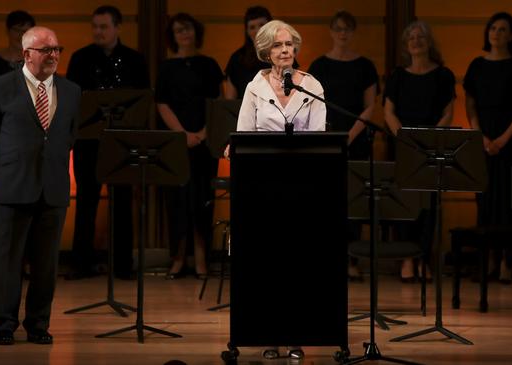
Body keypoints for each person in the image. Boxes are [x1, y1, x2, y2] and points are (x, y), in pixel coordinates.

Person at [0, 26, 81, 345]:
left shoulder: (72, 90)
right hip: (12, 186)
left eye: (57, 49)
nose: (53, 55)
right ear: (26, 54)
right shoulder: (0, 87)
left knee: (46, 264)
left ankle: (38, 324)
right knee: (7, 261)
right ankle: (4, 324)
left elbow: (69, 136)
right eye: (46, 50)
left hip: (53, 188)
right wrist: (8, 169)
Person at [235, 19, 326, 360]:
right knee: (267, 264)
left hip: (302, 187)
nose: (285, 50)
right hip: (263, 186)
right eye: (277, 45)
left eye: (289, 44)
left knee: (297, 264)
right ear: (266, 52)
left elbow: (319, 138)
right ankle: (268, 334)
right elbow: (243, 135)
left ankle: (296, 334)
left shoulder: (312, 85)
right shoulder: (254, 87)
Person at [64, 5, 150, 280]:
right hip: (88, 140)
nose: (98, 32)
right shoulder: (80, 59)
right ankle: (80, 264)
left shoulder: (135, 60)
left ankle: (123, 265)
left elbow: (142, 100)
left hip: (122, 141)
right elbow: (73, 100)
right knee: (86, 200)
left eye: (104, 27)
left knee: (123, 200)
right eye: (95, 27)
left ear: (118, 28)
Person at [464, 12, 512, 284]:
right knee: (484, 200)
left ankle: (507, 259)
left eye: (503, 29)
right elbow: (470, 105)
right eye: (493, 28)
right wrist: (480, 136)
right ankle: (488, 259)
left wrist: (503, 139)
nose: (496, 33)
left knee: (508, 201)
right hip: (481, 139)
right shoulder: (477, 66)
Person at [308, 9, 379, 281]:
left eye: (347, 29)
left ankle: (352, 259)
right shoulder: (319, 66)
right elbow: (311, 104)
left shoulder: (365, 66)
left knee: (354, 203)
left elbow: (370, 105)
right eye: (338, 28)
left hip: (356, 140)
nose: (342, 33)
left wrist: (350, 135)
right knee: (326, 201)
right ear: (331, 31)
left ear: (353, 32)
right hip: (326, 140)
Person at [383, 20, 455, 283]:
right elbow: (388, 111)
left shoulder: (443, 75)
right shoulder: (398, 76)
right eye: (411, 37)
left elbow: (448, 112)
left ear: (429, 42)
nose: (416, 40)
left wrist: (430, 140)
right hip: (405, 148)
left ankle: (424, 258)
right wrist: (406, 139)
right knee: (405, 204)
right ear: (406, 45)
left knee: (429, 206)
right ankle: (407, 260)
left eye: (421, 36)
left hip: (433, 149)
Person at [156, 13, 223, 280]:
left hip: (206, 141)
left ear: (196, 31)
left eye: (188, 29)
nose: (184, 34)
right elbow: (161, 103)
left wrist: (203, 133)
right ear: (172, 36)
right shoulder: (166, 67)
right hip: (175, 143)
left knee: (202, 200)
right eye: (178, 30)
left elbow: (217, 101)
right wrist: (182, 134)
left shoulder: (209, 64)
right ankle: (178, 257)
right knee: (177, 201)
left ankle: (202, 257)